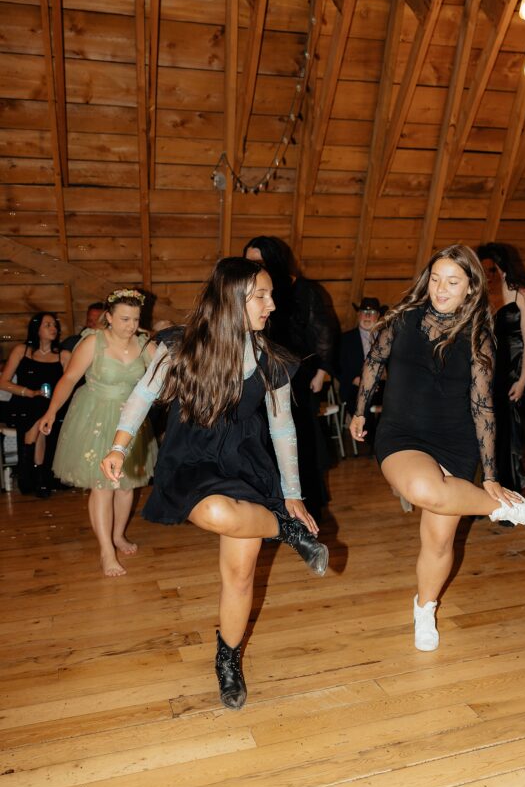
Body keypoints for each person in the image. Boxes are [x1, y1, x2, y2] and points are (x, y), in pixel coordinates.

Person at [100, 258, 328, 711]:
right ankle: (285, 529)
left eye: (270, 295)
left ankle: (228, 659)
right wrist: (119, 447)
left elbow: (283, 430)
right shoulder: (182, 347)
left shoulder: (271, 360)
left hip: (247, 463)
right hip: (191, 460)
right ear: (232, 299)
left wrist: (293, 493)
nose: (271, 304)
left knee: (240, 574)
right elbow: (143, 394)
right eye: (261, 296)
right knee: (214, 511)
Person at [349, 245, 525, 654]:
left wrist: (491, 474)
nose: (440, 289)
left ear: (471, 288)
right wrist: (359, 412)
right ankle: (505, 509)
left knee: (440, 540)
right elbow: (374, 360)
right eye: (436, 279)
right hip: (401, 433)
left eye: (452, 282)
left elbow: (481, 406)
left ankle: (425, 607)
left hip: (456, 440)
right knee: (424, 490)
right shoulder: (404, 319)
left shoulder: (478, 336)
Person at [39, 290, 158, 576]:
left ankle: (118, 535)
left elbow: (168, 376)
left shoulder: (145, 345)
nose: (130, 325)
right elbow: (69, 378)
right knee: (102, 486)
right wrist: (51, 411)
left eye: (135, 319)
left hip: (130, 420)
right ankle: (106, 550)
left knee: (128, 484)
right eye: (124, 319)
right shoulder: (94, 342)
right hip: (94, 416)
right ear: (109, 317)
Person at [243, 235, 339, 522]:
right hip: (262, 375)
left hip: (298, 376)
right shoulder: (247, 293)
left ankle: (305, 510)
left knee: (300, 441)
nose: (252, 266)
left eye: (258, 262)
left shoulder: (303, 289)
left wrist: (322, 371)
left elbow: (324, 332)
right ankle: (270, 511)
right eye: (248, 262)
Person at [477, 243, 525, 493]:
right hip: (488, 376)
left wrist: (522, 381)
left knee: (504, 440)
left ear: (500, 267)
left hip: (512, 375)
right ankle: (485, 498)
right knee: (485, 439)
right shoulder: (482, 297)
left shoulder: (522, 294)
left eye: (489, 267)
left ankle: (508, 499)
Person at [0, 312, 68, 497]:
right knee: (39, 414)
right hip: (23, 404)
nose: (53, 328)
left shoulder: (63, 355)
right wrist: (29, 392)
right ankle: (39, 477)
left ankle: (26, 469)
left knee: (41, 415)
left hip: (50, 407)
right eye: (47, 325)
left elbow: (72, 381)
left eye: (55, 325)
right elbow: (3, 382)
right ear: (36, 329)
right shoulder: (22, 351)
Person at [338, 296, 385, 443]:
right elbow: (338, 366)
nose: (367, 316)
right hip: (355, 387)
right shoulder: (345, 339)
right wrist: (355, 379)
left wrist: (384, 378)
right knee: (359, 401)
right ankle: (371, 439)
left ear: (378, 316)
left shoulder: (386, 338)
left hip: (383, 386)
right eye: (364, 312)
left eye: (371, 313)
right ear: (358, 315)